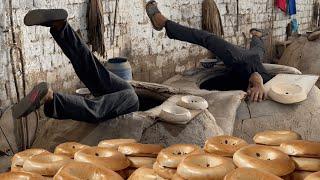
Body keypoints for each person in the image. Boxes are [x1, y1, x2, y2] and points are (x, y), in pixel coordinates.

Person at [12, 9, 139, 122]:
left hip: (129, 97)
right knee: (98, 101)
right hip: (131, 102)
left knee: (93, 70)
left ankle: (61, 27)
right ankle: (51, 98)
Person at [146, 1, 273, 102]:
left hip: (253, 57)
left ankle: (257, 35)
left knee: (258, 49)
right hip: (241, 59)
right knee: (209, 39)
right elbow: (255, 75)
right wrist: (258, 84)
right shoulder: (266, 83)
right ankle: (162, 22)